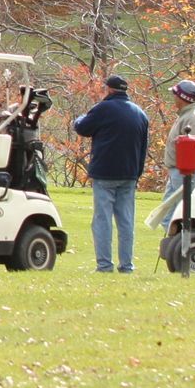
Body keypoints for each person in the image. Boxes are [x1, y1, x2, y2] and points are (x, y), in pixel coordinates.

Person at [73, 73, 150, 272]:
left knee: (102, 220)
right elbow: (143, 149)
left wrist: (80, 117)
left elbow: (82, 127)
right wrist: (137, 173)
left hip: (105, 173)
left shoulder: (104, 108)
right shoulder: (140, 113)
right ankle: (127, 265)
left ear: (109, 89)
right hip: (129, 174)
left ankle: (104, 265)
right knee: (126, 222)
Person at [161, 79, 195, 201]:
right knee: (168, 215)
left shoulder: (193, 119)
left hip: (187, 175)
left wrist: (186, 174)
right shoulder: (187, 115)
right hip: (180, 173)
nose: (173, 97)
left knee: (182, 212)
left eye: (175, 94)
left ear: (181, 97)